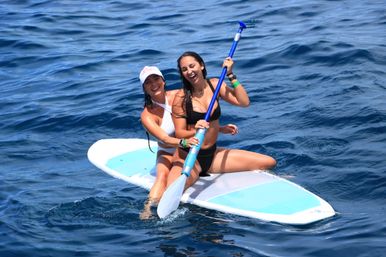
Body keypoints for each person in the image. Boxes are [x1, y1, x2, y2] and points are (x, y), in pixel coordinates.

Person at [138, 65, 239, 219]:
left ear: (163, 81)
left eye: (156, 79)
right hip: (167, 151)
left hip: (186, 151)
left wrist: (220, 128)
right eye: (148, 82)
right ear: (144, 88)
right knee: (162, 175)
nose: (153, 84)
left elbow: (195, 123)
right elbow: (164, 138)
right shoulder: (147, 115)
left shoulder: (179, 95)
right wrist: (184, 143)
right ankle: (147, 209)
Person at [167, 51, 277, 190]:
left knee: (269, 162)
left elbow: (244, 102)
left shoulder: (215, 85)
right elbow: (180, 133)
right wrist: (196, 128)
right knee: (172, 189)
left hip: (212, 156)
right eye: (184, 69)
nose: (189, 71)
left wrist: (231, 75)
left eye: (192, 66)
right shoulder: (181, 98)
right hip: (188, 157)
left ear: (201, 65)